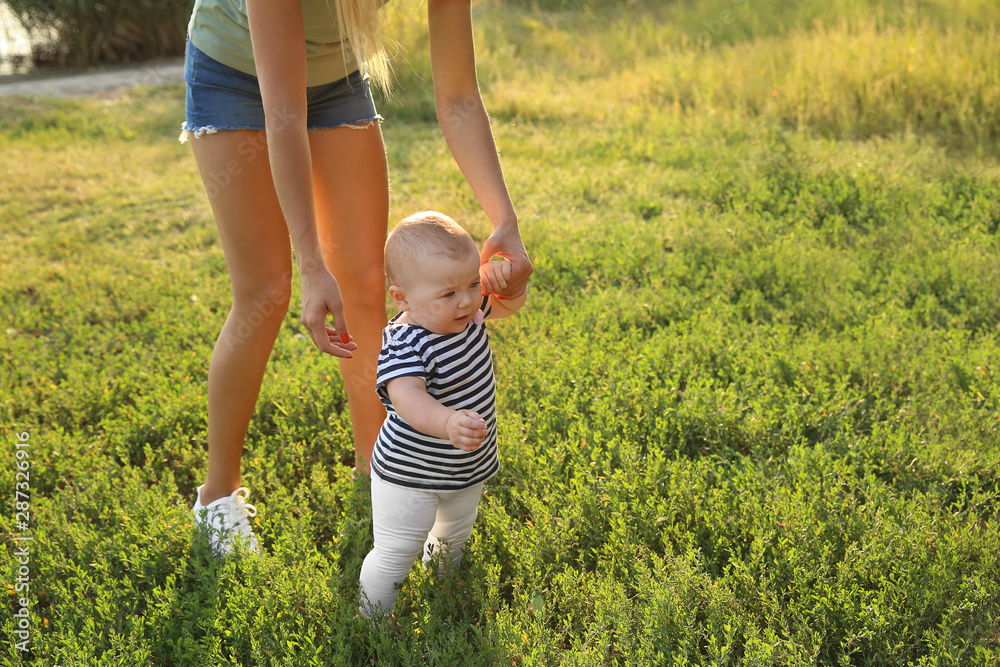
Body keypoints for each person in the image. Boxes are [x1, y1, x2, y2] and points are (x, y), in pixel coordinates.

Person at [182, 0, 532, 555]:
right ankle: (217, 498)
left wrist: (504, 222)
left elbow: (459, 98)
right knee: (265, 292)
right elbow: (284, 117)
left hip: (335, 77)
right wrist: (311, 263)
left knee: (367, 283)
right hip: (237, 75)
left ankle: (378, 478)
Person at [358, 211, 527, 620]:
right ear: (402, 299)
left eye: (472, 283)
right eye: (449, 293)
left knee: (453, 537)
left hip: (465, 466)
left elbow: (508, 304)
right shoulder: (405, 342)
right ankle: (372, 620)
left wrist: (512, 284)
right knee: (397, 551)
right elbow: (408, 399)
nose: (468, 300)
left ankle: (444, 589)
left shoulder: (467, 313)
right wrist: (447, 423)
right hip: (409, 476)